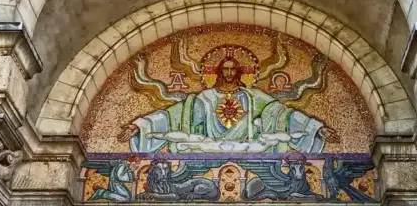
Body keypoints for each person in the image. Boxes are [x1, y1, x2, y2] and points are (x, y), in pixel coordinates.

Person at [117, 57, 339, 153]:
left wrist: (316, 128)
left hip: (250, 148)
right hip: (208, 147)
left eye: (234, 69)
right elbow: (174, 116)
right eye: (226, 69)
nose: (230, 73)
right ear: (220, 72)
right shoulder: (204, 98)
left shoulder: (253, 96)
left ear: (239, 72)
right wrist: (140, 126)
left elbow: (284, 114)